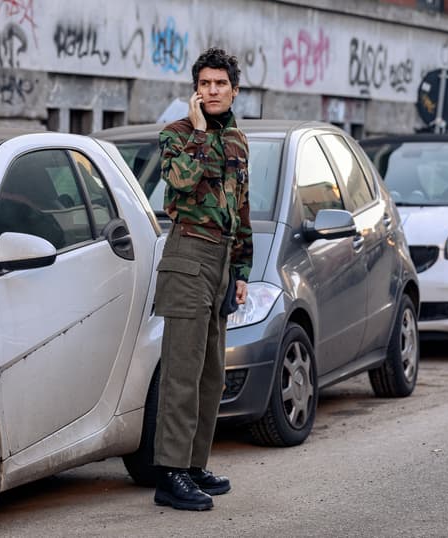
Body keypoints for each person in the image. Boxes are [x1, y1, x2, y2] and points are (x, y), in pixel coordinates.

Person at [152, 47, 253, 511]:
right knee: (181, 374)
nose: (212, 90)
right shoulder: (175, 135)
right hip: (188, 255)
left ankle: (193, 466)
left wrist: (241, 270)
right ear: (196, 88)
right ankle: (170, 474)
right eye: (205, 83)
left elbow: (241, 208)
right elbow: (180, 181)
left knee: (211, 375)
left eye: (220, 84)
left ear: (234, 89)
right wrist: (196, 131)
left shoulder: (237, 140)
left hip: (219, 265)